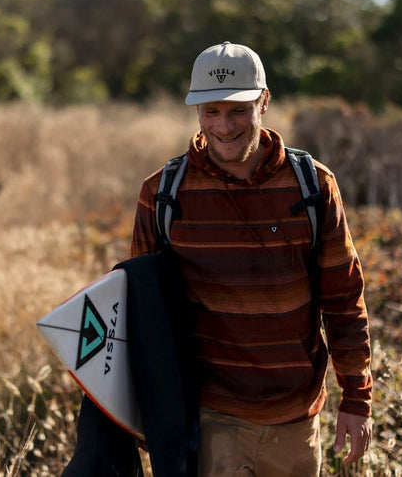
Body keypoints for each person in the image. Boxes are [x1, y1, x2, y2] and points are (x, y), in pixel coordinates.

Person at [131, 41, 372, 477]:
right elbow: (143, 316)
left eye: (238, 110)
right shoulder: (163, 194)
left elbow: (344, 298)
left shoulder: (312, 186)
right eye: (211, 112)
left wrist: (356, 398)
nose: (224, 127)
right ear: (197, 111)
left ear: (264, 100)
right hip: (210, 419)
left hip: (295, 418)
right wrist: (147, 413)